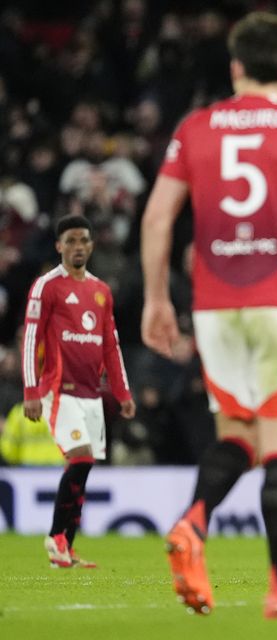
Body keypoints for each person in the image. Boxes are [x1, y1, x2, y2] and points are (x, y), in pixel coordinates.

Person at [140, 12, 277, 621]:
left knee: (237, 434)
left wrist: (157, 298)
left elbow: (157, 218)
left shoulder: (197, 127)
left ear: (235, 66)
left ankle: (192, 522)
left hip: (215, 305)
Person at [22, 214, 136, 568]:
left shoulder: (100, 291)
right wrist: (30, 390)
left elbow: (110, 346)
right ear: (59, 246)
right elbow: (31, 339)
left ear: (91, 245)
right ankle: (56, 536)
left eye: (83, 240)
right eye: (70, 240)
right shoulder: (47, 285)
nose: (77, 247)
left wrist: (122, 391)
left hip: (91, 394)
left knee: (83, 469)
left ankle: (65, 549)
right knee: (81, 457)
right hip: (59, 390)